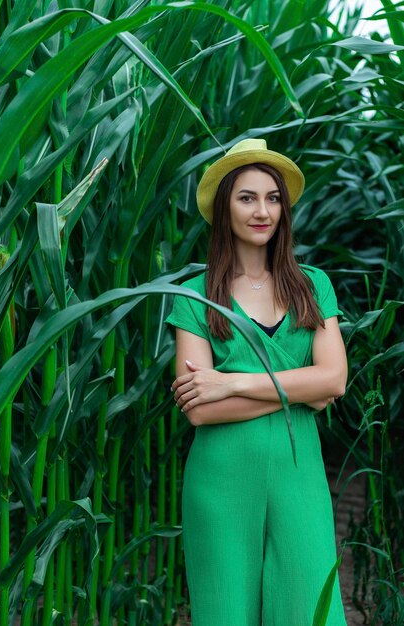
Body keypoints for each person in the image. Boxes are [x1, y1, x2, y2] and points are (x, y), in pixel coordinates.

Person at [165, 138, 348, 626]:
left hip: (298, 475)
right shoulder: (193, 296)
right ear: (224, 206)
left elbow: (334, 380)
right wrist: (300, 390)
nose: (262, 210)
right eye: (247, 197)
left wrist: (230, 383)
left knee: (309, 605)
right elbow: (199, 409)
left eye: (272, 198)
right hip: (220, 479)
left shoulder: (312, 285)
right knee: (225, 610)